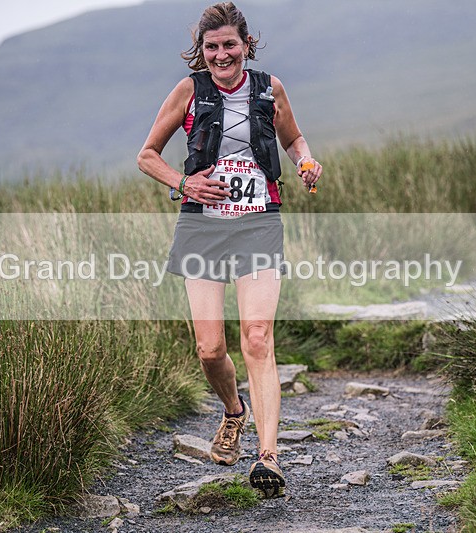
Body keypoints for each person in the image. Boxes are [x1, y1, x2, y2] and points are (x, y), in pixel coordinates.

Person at [137, 1, 322, 498]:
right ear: (201, 51)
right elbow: (146, 156)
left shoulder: (269, 88)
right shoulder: (188, 92)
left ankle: (269, 458)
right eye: (211, 47)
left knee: (258, 338)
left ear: (246, 45)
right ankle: (233, 411)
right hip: (203, 228)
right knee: (210, 348)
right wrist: (184, 184)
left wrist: (306, 161)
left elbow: (295, 139)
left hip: (259, 222)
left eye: (229, 45)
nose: (221, 54)